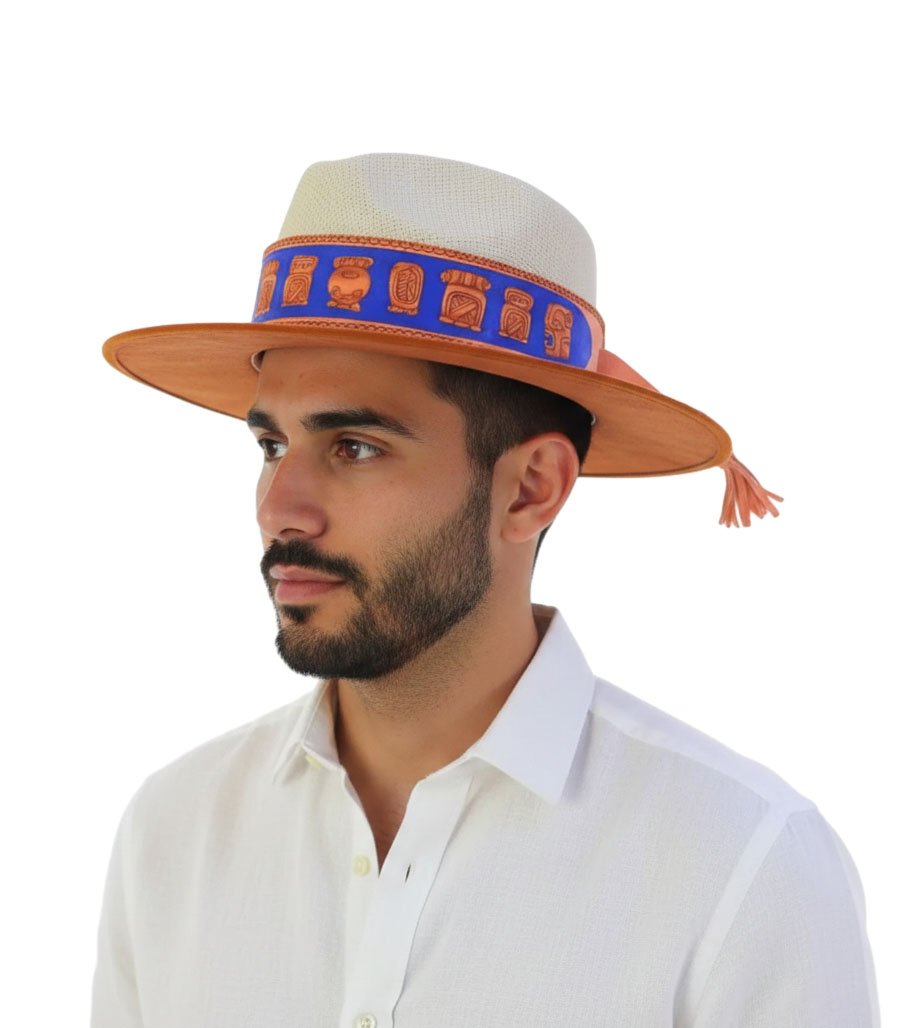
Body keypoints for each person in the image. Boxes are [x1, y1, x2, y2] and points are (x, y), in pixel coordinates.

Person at [91, 153, 879, 1027]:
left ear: (530, 489)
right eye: (272, 446)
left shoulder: (742, 868)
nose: (280, 508)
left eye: (354, 447)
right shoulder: (173, 833)